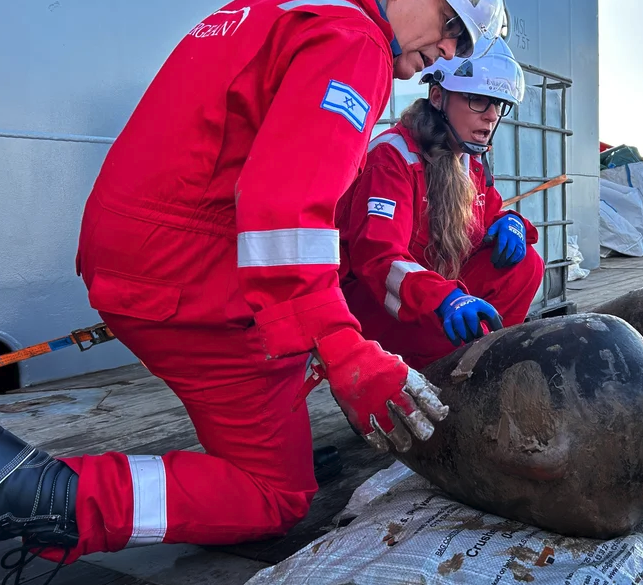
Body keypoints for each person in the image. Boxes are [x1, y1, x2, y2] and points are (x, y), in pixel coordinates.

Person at [0, 0, 506, 577]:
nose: (448, 52)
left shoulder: (275, 11)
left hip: (135, 255)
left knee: (299, 357)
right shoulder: (355, 41)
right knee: (275, 493)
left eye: (463, 47)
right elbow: (286, 211)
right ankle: (46, 496)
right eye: (452, 27)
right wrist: (344, 349)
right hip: (192, 276)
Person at [337, 38, 544, 370]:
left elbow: (489, 213)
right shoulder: (393, 158)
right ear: (438, 97)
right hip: (383, 306)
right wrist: (443, 299)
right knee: (448, 334)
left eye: (498, 104)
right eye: (478, 100)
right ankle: (438, 374)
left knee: (525, 265)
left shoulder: (469, 161)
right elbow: (379, 259)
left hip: (430, 297)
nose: (491, 116)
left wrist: (512, 222)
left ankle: (476, 360)